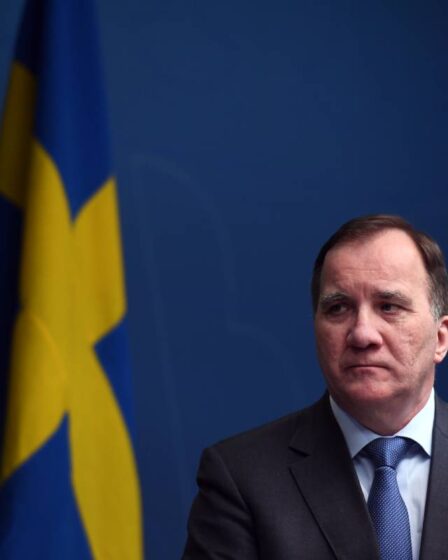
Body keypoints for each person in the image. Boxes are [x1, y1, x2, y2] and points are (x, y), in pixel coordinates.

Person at [182, 215, 448, 560]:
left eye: (389, 307)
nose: (362, 334)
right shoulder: (240, 478)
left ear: (440, 338)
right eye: (338, 308)